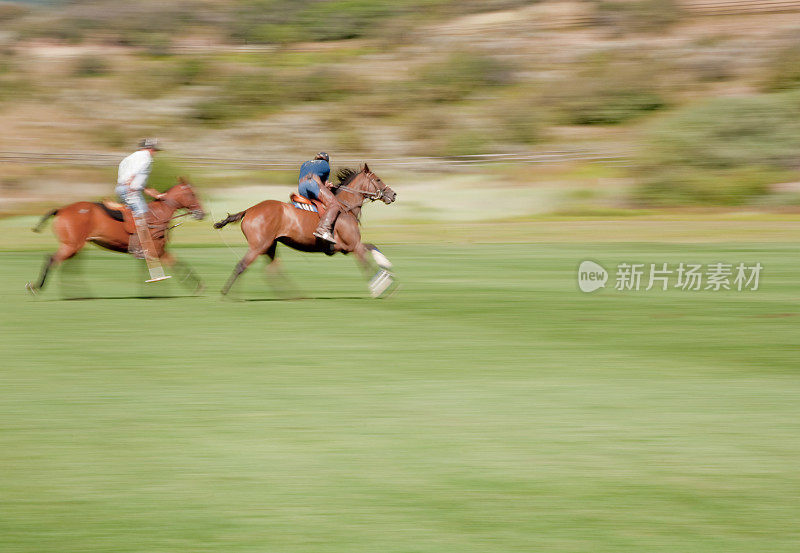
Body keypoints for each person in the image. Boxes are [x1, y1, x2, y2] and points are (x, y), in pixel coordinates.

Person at [116, 139, 167, 276]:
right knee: (144, 215)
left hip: (122, 188)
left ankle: (135, 244)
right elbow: (136, 173)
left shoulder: (130, 157)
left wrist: (153, 192)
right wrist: (130, 184)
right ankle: (138, 249)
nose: (155, 152)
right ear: (149, 148)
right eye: (154, 150)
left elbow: (130, 175)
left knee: (135, 215)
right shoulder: (146, 159)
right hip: (130, 189)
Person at [298, 151, 341, 243]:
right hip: (312, 184)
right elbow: (322, 184)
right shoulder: (325, 165)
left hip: (301, 188)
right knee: (335, 205)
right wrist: (329, 186)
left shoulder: (305, 164)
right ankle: (323, 229)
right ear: (326, 159)